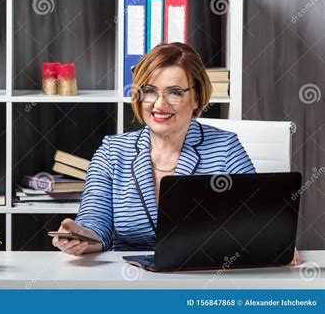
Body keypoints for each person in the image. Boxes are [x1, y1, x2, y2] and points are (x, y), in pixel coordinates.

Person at [52, 42, 300, 266]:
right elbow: (97, 225)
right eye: (149, 90)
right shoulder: (112, 151)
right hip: (129, 278)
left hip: (203, 275)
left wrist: (273, 242)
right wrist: (82, 237)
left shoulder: (225, 147)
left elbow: (255, 221)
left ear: (196, 98)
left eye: (174, 92)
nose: (159, 104)